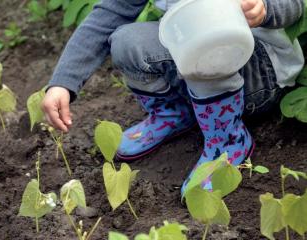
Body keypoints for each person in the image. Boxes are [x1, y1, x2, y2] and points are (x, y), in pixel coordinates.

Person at [41, 0, 304, 195]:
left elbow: (294, 4)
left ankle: (228, 140)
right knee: (125, 41)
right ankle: (175, 113)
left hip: (259, 75)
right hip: (199, 67)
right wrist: (63, 83)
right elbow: (107, 15)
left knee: (205, 39)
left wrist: (265, 9)